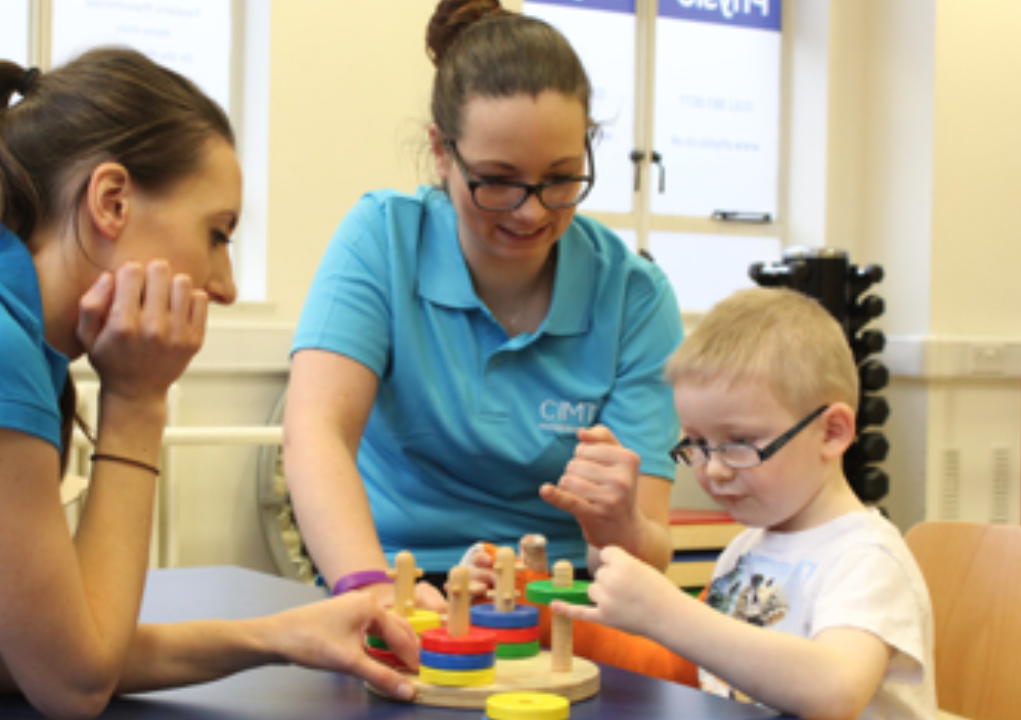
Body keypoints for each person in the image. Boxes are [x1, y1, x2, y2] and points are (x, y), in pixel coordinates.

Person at [0, 48, 419, 720]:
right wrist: (137, 401)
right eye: (217, 234)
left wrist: (281, 635)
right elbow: (72, 683)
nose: (227, 286)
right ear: (112, 200)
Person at [284, 0, 684, 613]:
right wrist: (372, 592)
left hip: (562, 592)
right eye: (498, 179)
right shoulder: (382, 240)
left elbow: (642, 551)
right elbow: (316, 433)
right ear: (442, 152)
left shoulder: (634, 296)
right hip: (395, 578)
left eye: (561, 177)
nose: (532, 211)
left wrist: (620, 524)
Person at [553, 287, 938, 719]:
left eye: (739, 442)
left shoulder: (867, 560)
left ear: (831, 433)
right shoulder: (745, 550)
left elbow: (837, 691)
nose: (713, 471)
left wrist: (669, 613)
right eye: (697, 443)